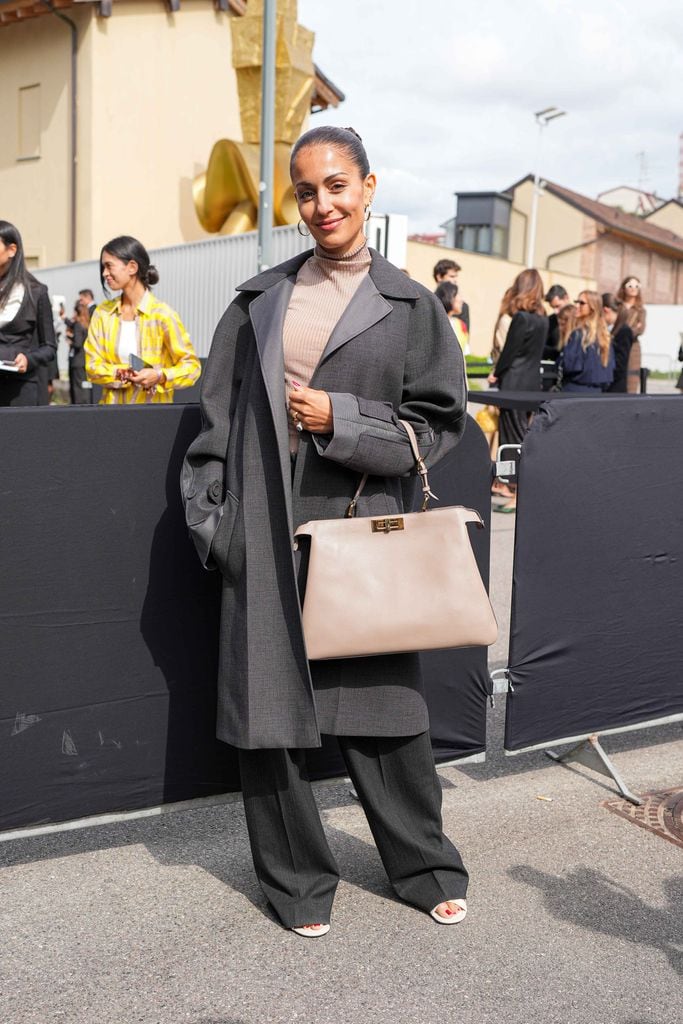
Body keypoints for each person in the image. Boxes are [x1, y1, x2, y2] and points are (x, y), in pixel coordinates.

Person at [181, 126, 470, 937]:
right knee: (268, 723)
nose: (322, 204)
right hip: (267, 538)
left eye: (337, 185)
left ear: (369, 188)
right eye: (306, 191)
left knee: (384, 715)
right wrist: (218, 527)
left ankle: (423, 867)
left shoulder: (411, 304)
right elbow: (212, 427)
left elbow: (436, 428)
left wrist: (340, 418)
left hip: (360, 535)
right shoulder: (258, 300)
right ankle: (297, 885)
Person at [85, 236, 200, 404]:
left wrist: (159, 376)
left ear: (132, 267)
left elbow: (192, 368)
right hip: (110, 416)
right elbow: (92, 367)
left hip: (152, 417)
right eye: (103, 267)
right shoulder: (102, 314)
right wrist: (122, 373)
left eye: (109, 266)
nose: (104, 273)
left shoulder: (163, 314)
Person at [488, 268, 548, 512]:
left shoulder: (521, 318)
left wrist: (496, 373)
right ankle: (521, 490)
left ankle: (519, 492)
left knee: (512, 438)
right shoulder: (544, 319)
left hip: (513, 382)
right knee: (523, 435)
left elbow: (509, 353)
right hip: (532, 383)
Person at [0, 220, 57, 407]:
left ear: (12, 250)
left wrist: (28, 359)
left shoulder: (36, 292)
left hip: (22, 390)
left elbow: (49, 347)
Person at [560, 290, 614, 392]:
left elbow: (569, 366)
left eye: (582, 303)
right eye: (576, 302)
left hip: (574, 392)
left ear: (592, 308)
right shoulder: (605, 336)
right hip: (596, 393)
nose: (577, 306)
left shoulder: (578, 334)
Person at [616, 276, 646, 393]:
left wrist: (624, 330)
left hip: (633, 348)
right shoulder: (617, 306)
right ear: (623, 288)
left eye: (637, 286)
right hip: (616, 344)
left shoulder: (640, 310)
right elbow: (613, 326)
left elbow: (641, 329)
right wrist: (632, 328)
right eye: (630, 285)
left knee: (632, 380)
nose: (633, 288)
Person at [602, 293, 633, 393]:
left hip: (614, 388)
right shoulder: (608, 328)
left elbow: (620, 364)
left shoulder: (624, 331)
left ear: (605, 310)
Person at [433, 258, 470, 331]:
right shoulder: (428, 302)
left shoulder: (462, 306)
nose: (455, 280)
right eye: (452, 276)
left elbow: (463, 337)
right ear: (439, 277)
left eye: (456, 277)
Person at [67, 297, 91, 405]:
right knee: (84, 386)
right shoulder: (87, 324)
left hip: (77, 361)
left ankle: (77, 407)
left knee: (77, 388)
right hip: (85, 360)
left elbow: (77, 343)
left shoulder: (77, 325)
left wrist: (70, 338)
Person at [434, 280, 469, 353]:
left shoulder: (460, 324)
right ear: (449, 296)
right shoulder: (435, 323)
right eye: (457, 295)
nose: (461, 300)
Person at [543, 284, 569, 360]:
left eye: (558, 306)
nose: (556, 311)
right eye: (553, 307)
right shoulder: (550, 321)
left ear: (566, 298)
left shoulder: (579, 319)